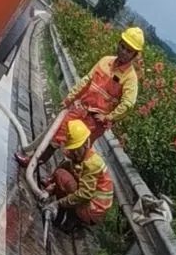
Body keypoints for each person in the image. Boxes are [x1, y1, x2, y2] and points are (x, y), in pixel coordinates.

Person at [16, 25, 144, 168]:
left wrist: (108, 117)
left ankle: (56, 179)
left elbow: (128, 104)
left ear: (134, 55)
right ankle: (32, 163)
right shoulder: (105, 61)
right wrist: (69, 98)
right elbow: (86, 81)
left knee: (77, 152)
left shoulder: (130, 78)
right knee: (56, 136)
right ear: (119, 43)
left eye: (129, 51)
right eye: (122, 46)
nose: (123, 52)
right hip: (80, 109)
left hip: (95, 122)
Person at [45, 119, 114, 233]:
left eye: (77, 149)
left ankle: (69, 218)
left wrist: (58, 203)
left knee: (61, 174)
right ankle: (65, 215)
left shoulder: (91, 164)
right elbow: (71, 166)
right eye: (73, 150)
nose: (75, 153)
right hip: (95, 209)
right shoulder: (89, 156)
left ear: (86, 143)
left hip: (91, 210)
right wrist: (51, 185)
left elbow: (84, 194)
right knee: (65, 167)